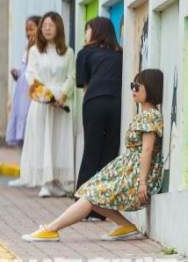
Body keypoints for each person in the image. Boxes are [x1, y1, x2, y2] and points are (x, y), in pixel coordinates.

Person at [23, 69, 165, 243]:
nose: (133, 90)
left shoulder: (150, 116)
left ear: (150, 89)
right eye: (132, 86)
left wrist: (142, 182)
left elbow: (147, 150)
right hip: (128, 170)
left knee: (92, 195)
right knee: (91, 191)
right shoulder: (145, 115)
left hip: (136, 176)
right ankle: (126, 227)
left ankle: (52, 229)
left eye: (137, 86)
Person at [18, 11, 75, 197]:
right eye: (44, 26)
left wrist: (63, 94)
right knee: (43, 139)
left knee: (58, 140)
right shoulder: (35, 51)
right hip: (41, 102)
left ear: (58, 27)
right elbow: (30, 75)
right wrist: (44, 94)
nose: (47, 29)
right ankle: (45, 181)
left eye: (51, 25)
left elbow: (71, 77)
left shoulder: (68, 52)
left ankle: (57, 180)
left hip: (60, 103)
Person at [74, 17, 123, 219]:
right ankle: (101, 208)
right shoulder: (119, 54)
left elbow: (83, 85)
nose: (86, 34)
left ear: (95, 32)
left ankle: (81, 203)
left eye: (87, 29)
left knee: (91, 150)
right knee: (109, 153)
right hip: (116, 103)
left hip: (94, 101)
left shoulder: (85, 53)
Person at [6, 16, 41, 147]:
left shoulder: (39, 49)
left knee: (30, 128)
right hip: (21, 96)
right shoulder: (28, 48)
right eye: (27, 30)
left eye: (32, 29)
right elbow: (25, 69)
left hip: (30, 96)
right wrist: (17, 74)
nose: (28, 33)